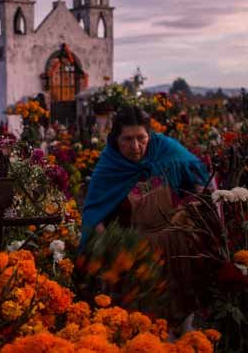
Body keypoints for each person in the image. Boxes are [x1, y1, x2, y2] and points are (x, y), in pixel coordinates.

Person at [80, 105, 211, 332]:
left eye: (141, 138)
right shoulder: (110, 165)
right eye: (127, 139)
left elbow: (199, 178)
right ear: (115, 138)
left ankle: (182, 326)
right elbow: (95, 213)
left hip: (173, 239)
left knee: (179, 297)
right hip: (133, 244)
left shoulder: (166, 150)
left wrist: (196, 208)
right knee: (141, 310)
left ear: (150, 135)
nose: (135, 147)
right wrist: (108, 247)